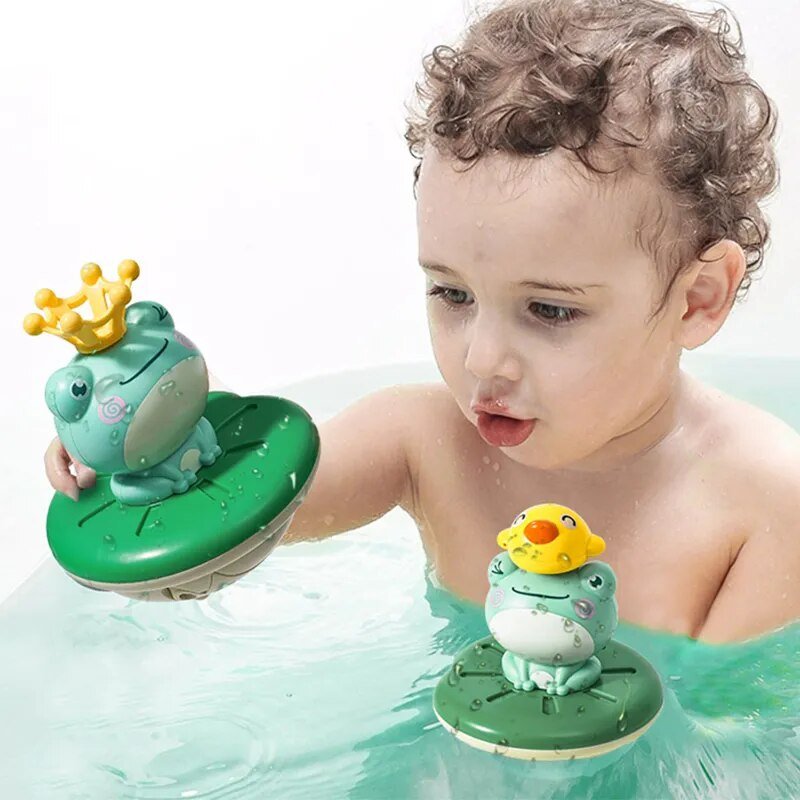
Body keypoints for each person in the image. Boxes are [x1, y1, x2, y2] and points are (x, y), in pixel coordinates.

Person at [45, 0, 799, 644]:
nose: (482, 359)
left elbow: (728, 731)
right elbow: (241, 503)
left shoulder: (766, 504)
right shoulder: (424, 443)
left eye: (550, 309)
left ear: (698, 299)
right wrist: (144, 451)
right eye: (451, 294)